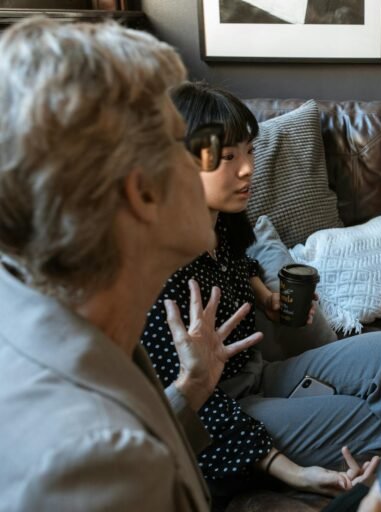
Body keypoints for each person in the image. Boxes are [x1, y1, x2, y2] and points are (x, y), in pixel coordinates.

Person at [141, 81, 381, 507]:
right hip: (224, 409)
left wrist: (264, 296)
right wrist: (291, 469)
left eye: (249, 152)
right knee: (374, 422)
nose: (246, 169)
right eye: (227, 157)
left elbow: (240, 260)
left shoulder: (219, 220)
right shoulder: (157, 270)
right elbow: (186, 412)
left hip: (257, 375)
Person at [0, 17, 265, 511]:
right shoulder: (91, 465)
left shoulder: (76, 315)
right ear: (142, 191)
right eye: (185, 144)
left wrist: (190, 389)